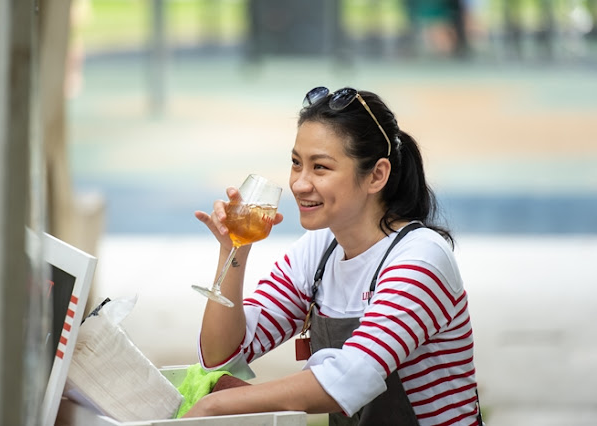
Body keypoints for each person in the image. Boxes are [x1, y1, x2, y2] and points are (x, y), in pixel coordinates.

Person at [186, 87, 482, 425]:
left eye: (320, 167)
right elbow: (221, 356)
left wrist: (216, 406)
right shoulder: (320, 249)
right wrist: (233, 252)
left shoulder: (420, 258)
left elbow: (348, 378)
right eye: (296, 163)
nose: (299, 184)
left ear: (377, 175)